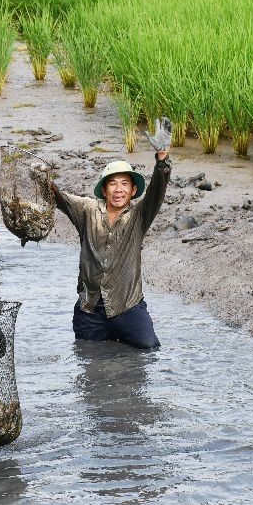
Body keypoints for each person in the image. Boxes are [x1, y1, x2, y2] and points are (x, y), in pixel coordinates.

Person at [48, 117, 173, 349]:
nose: (118, 190)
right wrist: (44, 181)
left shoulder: (139, 215)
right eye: (113, 184)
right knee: (87, 357)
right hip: (90, 308)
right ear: (104, 190)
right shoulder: (87, 210)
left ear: (133, 190)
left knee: (149, 349)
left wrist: (162, 159)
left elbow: (157, 190)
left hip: (127, 306)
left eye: (125, 184)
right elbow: (60, 199)